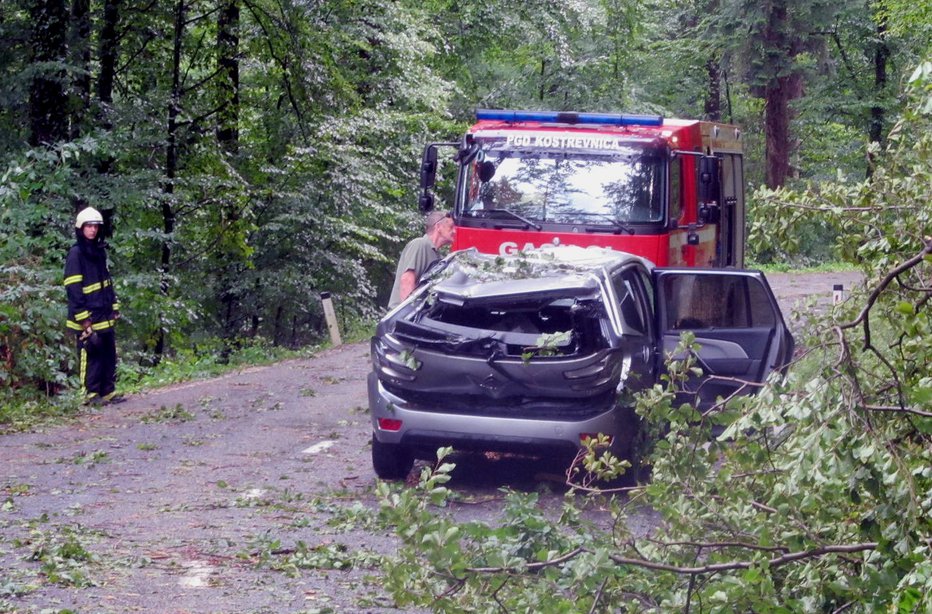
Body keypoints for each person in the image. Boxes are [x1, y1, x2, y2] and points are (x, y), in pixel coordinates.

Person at [64, 207, 123, 405]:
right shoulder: (76, 254)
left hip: (104, 312)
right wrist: (82, 316)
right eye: (89, 226)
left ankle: (107, 391)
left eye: (95, 226)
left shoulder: (99, 251)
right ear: (81, 228)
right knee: (91, 354)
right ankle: (89, 394)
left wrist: (114, 305)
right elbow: (73, 288)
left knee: (108, 352)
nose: (92, 230)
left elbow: (107, 281)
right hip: (87, 314)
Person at [387, 211, 456, 308]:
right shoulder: (420, 244)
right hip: (402, 317)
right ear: (438, 227)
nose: (455, 231)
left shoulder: (437, 256)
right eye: (451, 227)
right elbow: (407, 281)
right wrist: (408, 315)